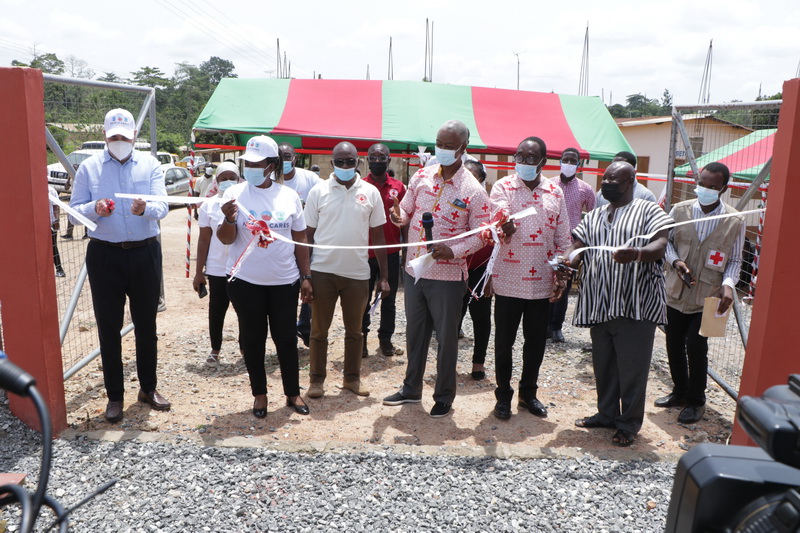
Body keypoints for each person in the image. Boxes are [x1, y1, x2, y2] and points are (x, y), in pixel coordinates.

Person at [382, 120, 491, 418]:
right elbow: (406, 209)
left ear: (463, 149)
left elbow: (482, 234)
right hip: (415, 271)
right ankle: (411, 389)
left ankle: (443, 396)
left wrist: (453, 250)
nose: (441, 150)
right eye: (438, 144)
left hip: (447, 276)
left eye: (448, 146)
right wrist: (398, 215)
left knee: (445, 340)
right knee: (415, 335)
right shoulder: (421, 176)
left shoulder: (474, 190)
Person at [69, 108, 171, 423]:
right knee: (109, 328)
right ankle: (115, 397)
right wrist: (94, 209)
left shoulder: (151, 165)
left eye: (124, 138)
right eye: (114, 137)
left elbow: (164, 205)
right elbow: (73, 214)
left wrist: (145, 209)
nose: (119, 142)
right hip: (105, 255)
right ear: (105, 136)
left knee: (146, 325)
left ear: (134, 138)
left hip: (144, 253)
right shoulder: (88, 168)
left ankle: (148, 388)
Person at [562, 161, 673, 447]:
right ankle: (607, 413)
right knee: (604, 365)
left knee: (632, 368)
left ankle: (629, 423)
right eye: (605, 180)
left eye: (615, 180)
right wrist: (568, 258)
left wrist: (637, 253)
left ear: (630, 182)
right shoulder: (596, 215)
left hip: (635, 305)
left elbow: (660, 245)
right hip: (600, 303)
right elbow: (577, 245)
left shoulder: (648, 211)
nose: (608, 184)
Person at [217, 135, 312, 418]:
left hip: (284, 281)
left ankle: (292, 393)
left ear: (271, 166)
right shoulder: (233, 194)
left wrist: (306, 276)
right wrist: (229, 219)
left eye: (256, 164)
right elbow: (225, 239)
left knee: (285, 338)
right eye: (247, 163)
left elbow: (300, 238)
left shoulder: (289, 196)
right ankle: (259, 394)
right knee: (253, 338)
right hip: (246, 282)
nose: (250, 168)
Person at [489, 137, 571, 420]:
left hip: (540, 283)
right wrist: (503, 228)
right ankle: (503, 396)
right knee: (504, 342)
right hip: (508, 280)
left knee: (535, 343)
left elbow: (563, 239)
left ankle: (528, 394)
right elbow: (493, 227)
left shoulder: (555, 192)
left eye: (530, 157)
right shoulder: (503, 187)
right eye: (519, 156)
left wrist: (561, 274)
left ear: (542, 162)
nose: (523, 162)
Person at [657, 162, 745, 423]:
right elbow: (667, 243)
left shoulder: (733, 221)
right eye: (702, 184)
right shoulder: (680, 210)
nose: (705, 189)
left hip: (710, 295)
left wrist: (729, 283)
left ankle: (697, 401)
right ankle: (679, 391)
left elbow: (736, 260)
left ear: (723, 189)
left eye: (712, 187)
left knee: (696, 345)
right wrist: (675, 262)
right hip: (676, 290)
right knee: (672, 341)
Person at [304, 142, 390, 399]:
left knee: (356, 331)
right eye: (339, 161)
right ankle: (316, 381)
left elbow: (379, 236)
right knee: (318, 331)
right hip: (322, 272)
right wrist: (305, 276)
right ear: (332, 163)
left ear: (358, 162)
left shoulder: (371, 193)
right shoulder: (318, 191)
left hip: (357, 274)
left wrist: (384, 277)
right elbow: (307, 237)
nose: (344, 166)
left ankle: (351, 379)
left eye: (349, 161)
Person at [192, 162, 240, 367]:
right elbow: (204, 240)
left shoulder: (246, 203)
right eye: (223, 178)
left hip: (242, 268)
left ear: (239, 180)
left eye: (232, 178)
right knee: (217, 309)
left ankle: (246, 348)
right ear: (217, 181)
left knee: (245, 311)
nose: (228, 182)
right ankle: (215, 349)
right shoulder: (209, 205)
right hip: (217, 268)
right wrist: (199, 272)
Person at [361, 143, 406, 358]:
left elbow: (405, 220)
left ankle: (385, 340)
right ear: (367, 160)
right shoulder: (360, 186)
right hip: (365, 253)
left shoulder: (399, 187)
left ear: (389, 161)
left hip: (390, 253)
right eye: (373, 157)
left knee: (388, 298)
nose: (377, 161)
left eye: (382, 158)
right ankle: (360, 338)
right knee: (363, 298)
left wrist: (405, 251)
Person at [548, 147, 596, 343]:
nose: (568, 163)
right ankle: (543, 325)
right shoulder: (548, 184)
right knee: (545, 283)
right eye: (565, 159)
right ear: (560, 161)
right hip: (548, 241)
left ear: (578, 164)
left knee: (564, 284)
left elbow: (593, 216)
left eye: (572, 160)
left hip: (571, 245)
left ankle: (556, 327)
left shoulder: (586, 189)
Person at [277, 143, 323, 348]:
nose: (285, 160)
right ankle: (286, 332)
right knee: (286, 290)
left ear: (295, 157)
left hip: (307, 241)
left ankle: (305, 327)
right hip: (282, 245)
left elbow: (322, 203)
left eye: (288, 156)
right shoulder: (270, 181)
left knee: (308, 284)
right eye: (280, 157)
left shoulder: (310, 179)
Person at [459, 160, 493, 380]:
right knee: (452, 317)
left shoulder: (492, 205)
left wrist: (490, 275)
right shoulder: (453, 201)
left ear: (481, 180)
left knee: (481, 318)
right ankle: (447, 362)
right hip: (454, 267)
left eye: (473, 177)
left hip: (481, 270)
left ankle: (478, 364)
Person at [49, 185, 66, 277]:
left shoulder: (50, 190)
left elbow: (56, 206)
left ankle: (59, 269)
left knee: (53, 246)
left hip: (50, 223)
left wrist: (56, 220)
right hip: (37, 224)